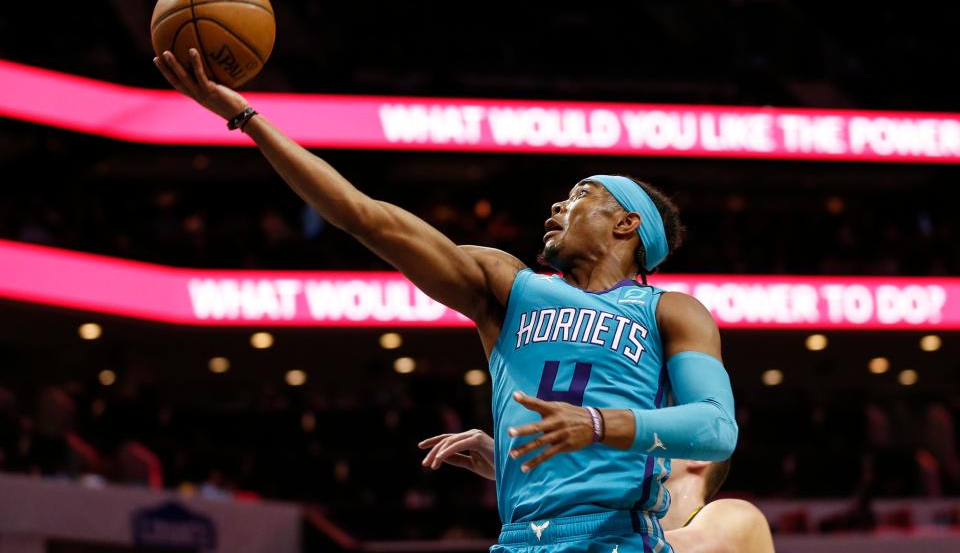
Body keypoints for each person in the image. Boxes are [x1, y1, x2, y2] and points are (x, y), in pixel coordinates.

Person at [154, 50, 738, 552]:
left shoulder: (669, 311)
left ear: (627, 223)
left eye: (579, 196)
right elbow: (368, 218)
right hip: (521, 537)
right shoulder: (508, 287)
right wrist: (246, 117)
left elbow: (714, 429)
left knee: (741, 523)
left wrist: (592, 424)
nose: (557, 208)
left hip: (619, 537)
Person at [420, 430, 773, 552]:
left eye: (658, 434)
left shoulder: (736, 516)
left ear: (700, 459)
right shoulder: (620, 531)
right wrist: (522, 476)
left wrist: (549, 482)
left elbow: (648, 548)